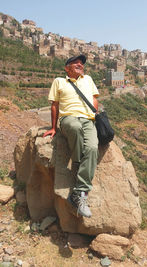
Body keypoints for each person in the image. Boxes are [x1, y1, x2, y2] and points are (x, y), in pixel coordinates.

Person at [43, 54, 99, 218]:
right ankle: (79, 162)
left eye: (81, 64)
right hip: (69, 118)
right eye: (76, 63)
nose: (80, 65)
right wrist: (54, 128)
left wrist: (93, 114)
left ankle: (80, 194)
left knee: (93, 148)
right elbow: (55, 105)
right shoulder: (59, 81)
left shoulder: (88, 79)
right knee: (74, 127)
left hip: (88, 120)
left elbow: (94, 99)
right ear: (67, 68)